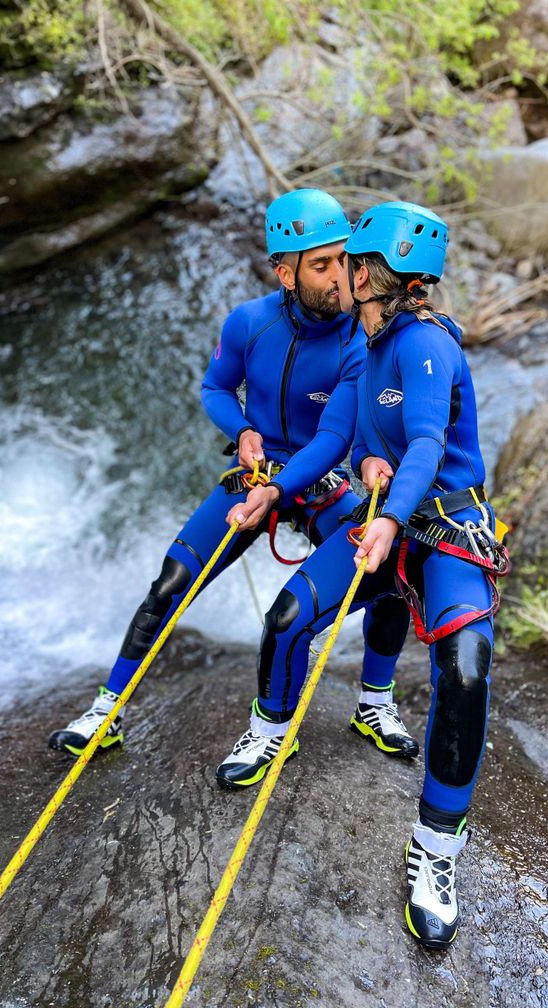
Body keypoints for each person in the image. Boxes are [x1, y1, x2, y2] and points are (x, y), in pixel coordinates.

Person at [48, 189, 415, 783]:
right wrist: (243, 430)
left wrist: (282, 488)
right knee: (171, 580)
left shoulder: (358, 338)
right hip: (255, 475)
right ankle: (106, 709)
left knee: (390, 572)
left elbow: (333, 436)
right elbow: (214, 388)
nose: (339, 278)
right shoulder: (249, 322)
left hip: (319, 482)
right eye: (320, 265)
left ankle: (374, 702)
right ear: (284, 272)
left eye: (343, 260)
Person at [225, 200, 509, 948]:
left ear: (368, 272)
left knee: (467, 668)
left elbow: (423, 442)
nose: (336, 274)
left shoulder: (423, 347)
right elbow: (333, 438)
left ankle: (436, 852)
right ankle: (268, 732)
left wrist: (388, 517)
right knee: (288, 618)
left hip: (442, 528)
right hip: (388, 517)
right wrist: (275, 489)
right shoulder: (365, 341)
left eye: (346, 263)